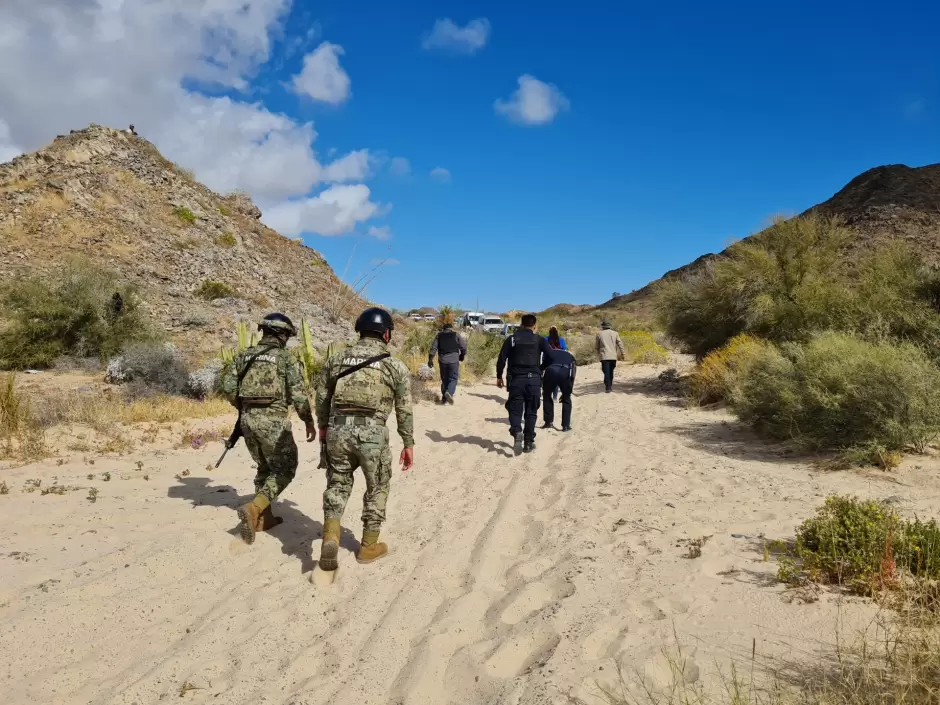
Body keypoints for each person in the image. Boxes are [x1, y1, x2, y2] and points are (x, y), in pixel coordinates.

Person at [316, 307, 415, 570]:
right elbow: (404, 409)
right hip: (373, 435)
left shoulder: (336, 360)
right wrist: (408, 443)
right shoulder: (394, 365)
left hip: (338, 432)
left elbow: (322, 396)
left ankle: (331, 536)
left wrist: (323, 428)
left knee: (337, 485)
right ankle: (368, 546)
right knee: (377, 487)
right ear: (386, 334)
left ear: (359, 330)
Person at [220, 313, 316, 545]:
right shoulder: (286, 359)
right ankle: (255, 508)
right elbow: (299, 394)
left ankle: (265, 519)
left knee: (264, 466)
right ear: (283, 334)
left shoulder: (243, 356)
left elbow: (228, 386)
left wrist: (244, 407)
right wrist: (308, 420)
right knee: (285, 468)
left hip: (247, 420)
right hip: (273, 422)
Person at [496, 313, 554, 455]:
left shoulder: (512, 339)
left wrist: (499, 377)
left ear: (521, 324)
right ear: (534, 326)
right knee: (531, 412)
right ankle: (528, 443)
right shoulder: (539, 339)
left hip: (516, 380)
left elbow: (501, 359)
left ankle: (516, 431)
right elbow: (552, 356)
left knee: (514, 409)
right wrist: (541, 368)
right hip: (534, 381)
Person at [428, 314, 467, 404]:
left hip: (443, 360)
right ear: (451, 329)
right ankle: (449, 392)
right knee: (453, 378)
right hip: (454, 360)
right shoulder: (455, 335)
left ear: (444, 329)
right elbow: (463, 346)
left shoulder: (439, 335)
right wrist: (462, 355)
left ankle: (444, 399)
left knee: (444, 379)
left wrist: (430, 359)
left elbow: (433, 348)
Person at [541, 345, 577, 431]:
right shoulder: (570, 355)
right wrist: (569, 390)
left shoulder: (550, 353)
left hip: (551, 372)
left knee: (547, 395)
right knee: (567, 398)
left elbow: (542, 367)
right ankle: (565, 426)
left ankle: (548, 422)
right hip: (564, 372)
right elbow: (573, 374)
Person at [595, 321, 625, 393]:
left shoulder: (599, 334)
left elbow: (597, 346)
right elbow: (620, 344)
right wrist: (622, 353)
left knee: (606, 371)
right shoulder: (615, 333)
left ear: (603, 326)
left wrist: (598, 354)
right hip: (613, 356)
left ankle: (608, 387)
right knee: (611, 371)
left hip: (604, 356)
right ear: (610, 326)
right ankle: (609, 385)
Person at [544, 326, 567, 401]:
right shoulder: (561, 339)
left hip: (548, 361)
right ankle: (555, 397)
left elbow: (542, 350)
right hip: (558, 361)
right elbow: (564, 350)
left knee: (547, 379)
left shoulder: (545, 339)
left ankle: (547, 395)